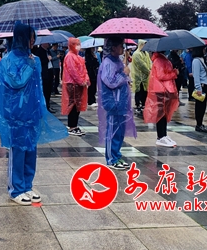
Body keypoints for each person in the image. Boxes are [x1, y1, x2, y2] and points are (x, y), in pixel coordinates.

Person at [0, 22, 68, 205]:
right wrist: (29, 65)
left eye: (33, 37)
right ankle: (16, 189)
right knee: (18, 150)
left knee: (31, 149)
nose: (32, 41)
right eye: (29, 37)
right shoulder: (7, 60)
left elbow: (38, 86)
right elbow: (16, 82)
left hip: (32, 112)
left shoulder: (34, 59)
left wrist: (41, 107)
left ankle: (27, 185)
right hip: (16, 114)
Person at [97, 38, 136, 170]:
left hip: (121, 103)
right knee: (112, 131)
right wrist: (123, 74)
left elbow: (122, 77)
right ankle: (111, 159)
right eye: (120, 46)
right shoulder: (107, 63)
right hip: (113, 102)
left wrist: (126, 76)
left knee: (119, 131)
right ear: (113, 47)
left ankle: (117, 155)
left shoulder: (118, 61)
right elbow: (110, 82)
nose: (122, 49)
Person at [143, 50, 179, 147]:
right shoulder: (159, 60)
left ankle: (163, 134)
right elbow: (161, 75)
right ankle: (161, 136)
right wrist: (174, 73)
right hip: (161, 90)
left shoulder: (161, 58)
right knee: (161, 113)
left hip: (164, 89)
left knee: (164, 113)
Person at [62, 38, 90, 136]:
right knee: (73, 104)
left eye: (79, 44)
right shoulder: (70, 56)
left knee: (77, 105)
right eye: (76, 44)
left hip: (78, 84)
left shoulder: (77, 56)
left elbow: (83, 69)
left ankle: (74, 125)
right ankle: (72, 126)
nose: (78, 46)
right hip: (73, 84)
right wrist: (81, 81)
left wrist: (86, 79)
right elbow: (73, 71)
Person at [191, 46, 207, 133]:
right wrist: (198, 88)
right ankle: (198, 124)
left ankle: (200, 123)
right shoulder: (196, 61)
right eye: (203, 49)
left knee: (203, 106)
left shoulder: (202, 59)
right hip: (201, 86)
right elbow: (196, 75)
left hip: (205, 85)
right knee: (199, 106)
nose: (204, 51)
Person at [32, 42, 55, 113]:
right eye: (47, 43)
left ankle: (48, 105)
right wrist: (47, 59)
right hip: (44, 74)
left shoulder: (48, 51)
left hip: (50, 71)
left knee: (49, 90)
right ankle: (45, 106)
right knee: (45, 91)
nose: (48, 44)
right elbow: (39, 62)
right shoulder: (39, 52)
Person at [131, 40, 151, 115]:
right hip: (138, 76)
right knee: (139, 91)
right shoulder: (136, 54)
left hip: (146, 77)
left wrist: (150, 69)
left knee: (145, 91)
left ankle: (143, 104)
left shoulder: (146, 53)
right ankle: (138, 105)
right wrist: (148, 71)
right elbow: (141, 64)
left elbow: (149, 62)